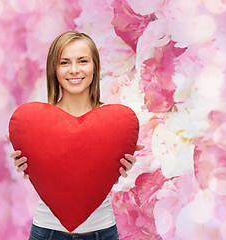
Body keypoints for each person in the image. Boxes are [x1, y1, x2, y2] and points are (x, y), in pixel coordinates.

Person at [9, 31, 144, 240]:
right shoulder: (36, 124)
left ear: (94, 67)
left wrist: (126, 167)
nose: (74, 70)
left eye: (83, 61)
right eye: (64, 62)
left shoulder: (115, 124)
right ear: (54, 69)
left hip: (102, 232)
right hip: (47, 232)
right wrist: (29, 165)